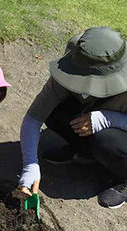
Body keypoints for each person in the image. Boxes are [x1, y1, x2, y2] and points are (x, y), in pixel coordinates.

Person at [19, 26, 127, 209]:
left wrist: (106, 119)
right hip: (97, 115)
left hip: (120, 129)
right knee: (54, 110)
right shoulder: (77, 57)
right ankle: (84, 152)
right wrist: (30, 165)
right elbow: (33, 118)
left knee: (106, 140)